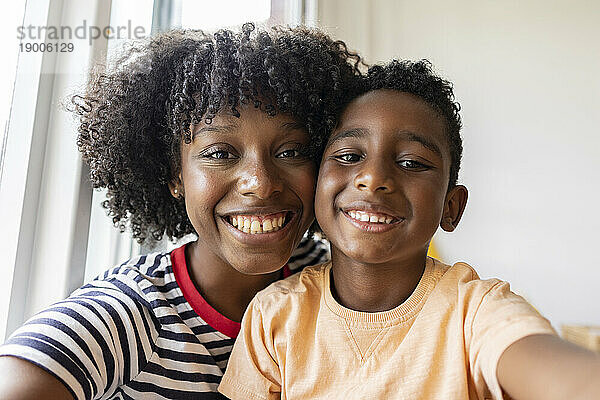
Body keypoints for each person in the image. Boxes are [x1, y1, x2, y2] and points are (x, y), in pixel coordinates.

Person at [0, 23, 362, 399]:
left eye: (291, 151)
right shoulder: (130, 315)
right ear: (175, 175)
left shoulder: (329, 278)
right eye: (220, 153)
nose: (261, 181)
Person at [218, 60, 600, 400]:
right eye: (349, 157)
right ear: (317, 183)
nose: (373, 178)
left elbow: (555, 370)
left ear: (452, 207)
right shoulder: (273, 316)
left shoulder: (477, 312)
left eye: (412, 162)